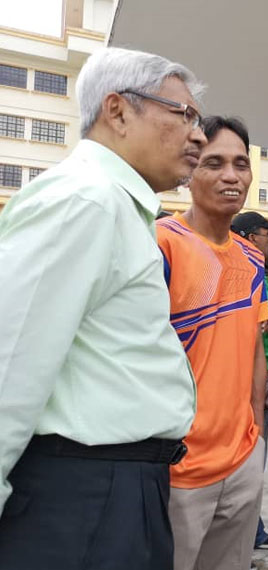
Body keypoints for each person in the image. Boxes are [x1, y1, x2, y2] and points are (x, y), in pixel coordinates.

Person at [0, 47, 204, 570]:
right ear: (117, 110)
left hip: (115, 491)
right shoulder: (84, 201)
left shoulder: (113, 205)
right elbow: (10, 363)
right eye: (184, 115)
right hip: (81, 498)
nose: (198, 135)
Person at [157, 117, 268, 570]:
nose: (231, 175)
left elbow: (255, 346)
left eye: (241, 164)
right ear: (189, 173)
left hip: (242, 461)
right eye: (214, 163)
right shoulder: (161, 244)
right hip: (177, 470)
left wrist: (256, 434)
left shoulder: (252, 256)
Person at [232, 211, 268, 551]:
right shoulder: (249, 269)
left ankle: (249, 532)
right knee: (252, 459)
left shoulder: (242, 267)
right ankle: (246, 537)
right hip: (254, 382)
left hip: (252, 379)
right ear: (253, 237)